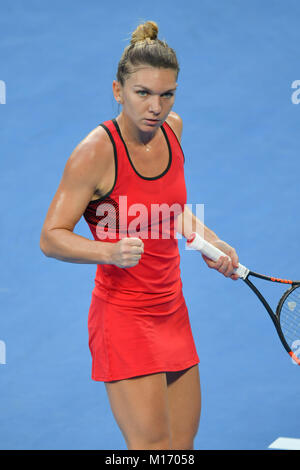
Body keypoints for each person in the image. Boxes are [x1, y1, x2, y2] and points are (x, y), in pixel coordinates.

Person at [40, 20, 239, 451]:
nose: (156, 106)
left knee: (181, 448)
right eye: (143, 93)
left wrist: (211, 241)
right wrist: (107, 250)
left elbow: (172, 210)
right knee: (152, 450)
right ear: (118, 91)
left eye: (167, 94)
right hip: (123, 318)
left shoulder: (174, 130)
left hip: (172, 310)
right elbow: (51, 237)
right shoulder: (94, 152)